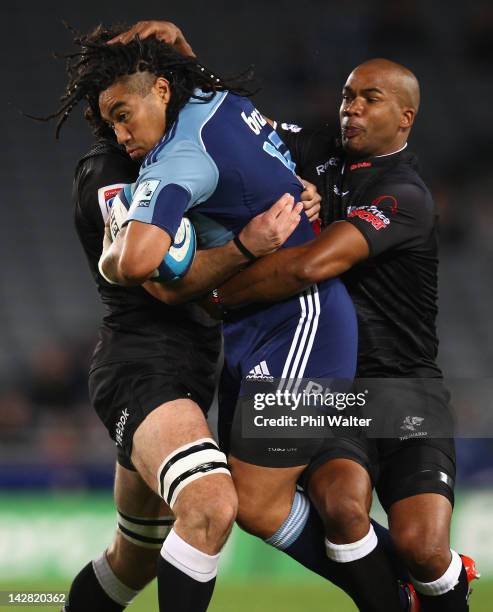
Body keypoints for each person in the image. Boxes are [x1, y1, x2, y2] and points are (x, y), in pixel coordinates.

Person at [50, 23, 309, 612]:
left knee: (134, 558)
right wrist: (246, 245)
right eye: (110, 119)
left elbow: (221, 111)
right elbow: (164, 287)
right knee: (211, 503)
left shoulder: (183, 142)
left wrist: (297, 190)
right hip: (142, 366)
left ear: (160, 92)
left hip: (194, 366)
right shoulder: (111, 175)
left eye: (125, 115)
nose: (122, 132)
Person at [213, 58, 479, 610]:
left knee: (423, 547)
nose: (350, 107)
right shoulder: (321, 150)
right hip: (338, 388)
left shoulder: (405, 194)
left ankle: (442, 581)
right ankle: (389, 599)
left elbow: (310, 266)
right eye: (347, 95)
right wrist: (185, 63)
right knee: (341, 507)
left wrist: (219, 294)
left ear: (405, 117)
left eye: (369, 99)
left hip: (407, 389)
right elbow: (241, 127)